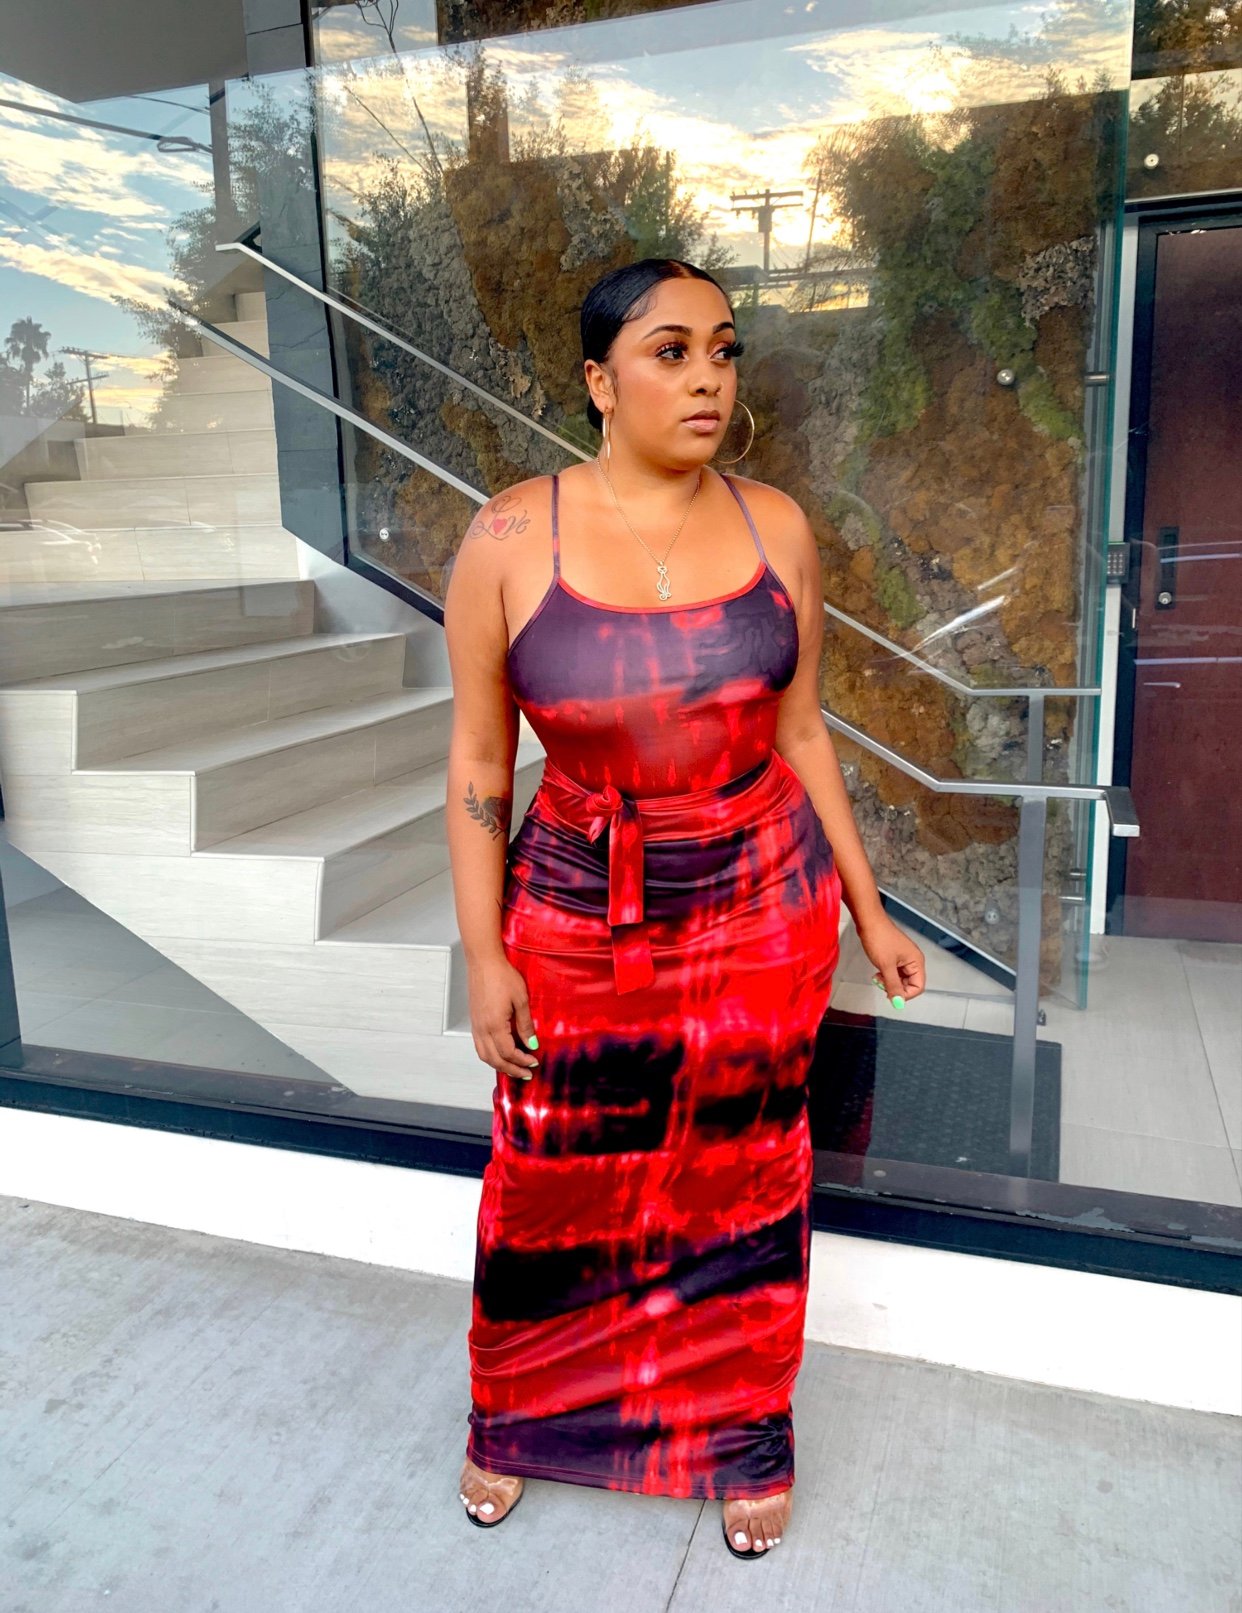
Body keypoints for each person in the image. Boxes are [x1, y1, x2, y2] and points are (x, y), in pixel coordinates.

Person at [442, 257, 925, 1557]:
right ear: (598, 381)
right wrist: (483, 952)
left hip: (762, 901)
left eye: (722, 348)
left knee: (746, 1170)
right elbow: (480, 763)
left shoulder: (777, 528)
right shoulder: (508, 539)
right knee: (550, 1169)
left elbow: (804, 731)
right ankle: (520, 1419)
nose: (707, 376)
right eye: (669, 351)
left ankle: (740, 1434)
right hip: (574, 905)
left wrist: (870, 910)